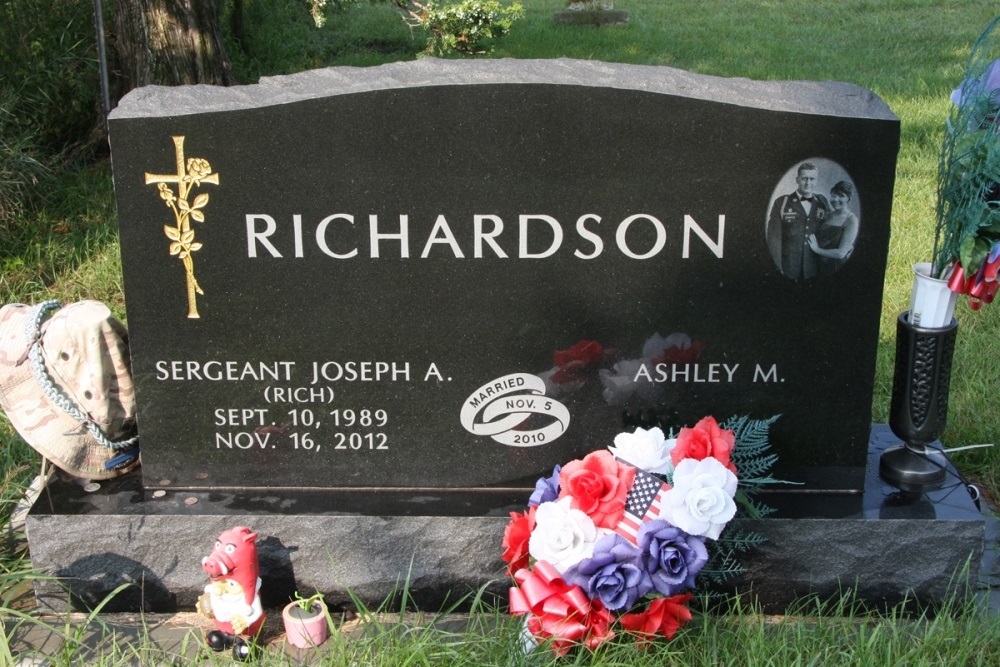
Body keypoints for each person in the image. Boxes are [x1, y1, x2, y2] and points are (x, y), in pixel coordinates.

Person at [767, 162, 831, 279]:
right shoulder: (782, 203)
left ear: (816, 181)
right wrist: (777, 266)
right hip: (789, 267)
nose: (808, 183)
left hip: (815, 267)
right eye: (804, 179)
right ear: (797, 180)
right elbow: (773, 238)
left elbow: (832, 227)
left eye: (812, 179)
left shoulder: (822, 202)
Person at [807, 180, 859, 274]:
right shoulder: (828, 215)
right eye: (834, 195)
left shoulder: (851, 220)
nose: (835, 199)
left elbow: (841, 253)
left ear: (848, 199)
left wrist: (817, 249)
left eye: (841, 196)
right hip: (818, 265)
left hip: (835, 267)